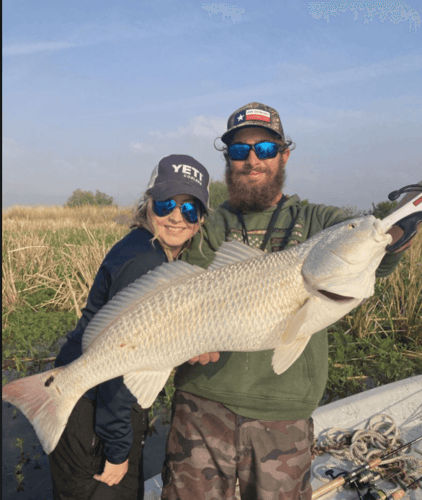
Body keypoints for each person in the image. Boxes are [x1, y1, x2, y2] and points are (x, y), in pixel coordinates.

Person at [161, 103, 416, 500]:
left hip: (284, 412)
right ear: (227, 159)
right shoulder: (209, 225)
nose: (251, 160)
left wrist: (402, 225)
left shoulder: (315, 220)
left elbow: (368, 250)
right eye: (238, 151)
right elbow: (183, 295)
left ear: (284, 155)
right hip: (201, 407)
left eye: (264, 149)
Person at [49, 154, 210, 500]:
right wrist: (117, 449)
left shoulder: (143, 246)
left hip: (82, 398)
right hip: (93, 411)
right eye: (166, 203)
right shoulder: (146, 262)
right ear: (148, 203)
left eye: (190, 209)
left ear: (200, 220)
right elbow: (115, 362)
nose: (176, 217)